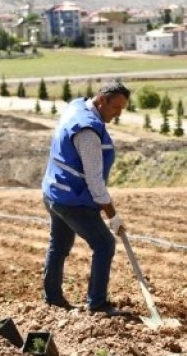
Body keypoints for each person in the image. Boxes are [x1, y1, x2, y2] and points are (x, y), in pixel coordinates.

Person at [41, 80, 132, 317]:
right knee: (104, 244)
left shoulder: (76, 106)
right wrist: (113, 216)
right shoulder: (88, 132)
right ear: (102, 100)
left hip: (53, 190)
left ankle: (52, 299)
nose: (119, 113)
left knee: (59, 244)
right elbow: (94, 182)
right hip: (72, 198)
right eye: (116, 108)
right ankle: (98, 304)